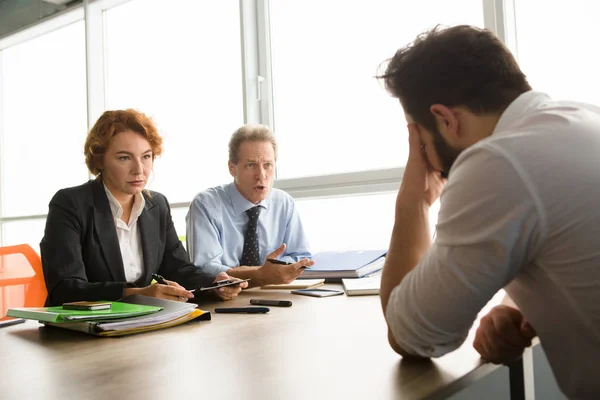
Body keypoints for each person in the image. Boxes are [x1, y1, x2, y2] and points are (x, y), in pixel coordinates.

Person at [377, 25, 600, 398]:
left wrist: (413, 202)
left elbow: (413, 337)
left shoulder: (499, 161)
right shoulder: (581, 118)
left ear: (445, 120)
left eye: (419, 138)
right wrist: (517, 301)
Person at [41, 109, 247, 306]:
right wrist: (136, 295)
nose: (139, 170)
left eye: (146, 157)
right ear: (99, 159)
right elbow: (65, 289)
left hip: (140, 324)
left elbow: (178, 269)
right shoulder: (70, 204)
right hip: (79, 332)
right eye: (124, 158)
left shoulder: (156, 205)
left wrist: (214, 283)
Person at [186, 124, 313, 287]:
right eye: (251, 165)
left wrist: (280, 270)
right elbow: (204, 267)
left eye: (268, 165)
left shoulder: (284, 203)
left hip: (275, 294)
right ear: (232, 168)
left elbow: (300, 256)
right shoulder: (206, 205)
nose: (261, 175)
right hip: (223, 298)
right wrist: (260, 274)